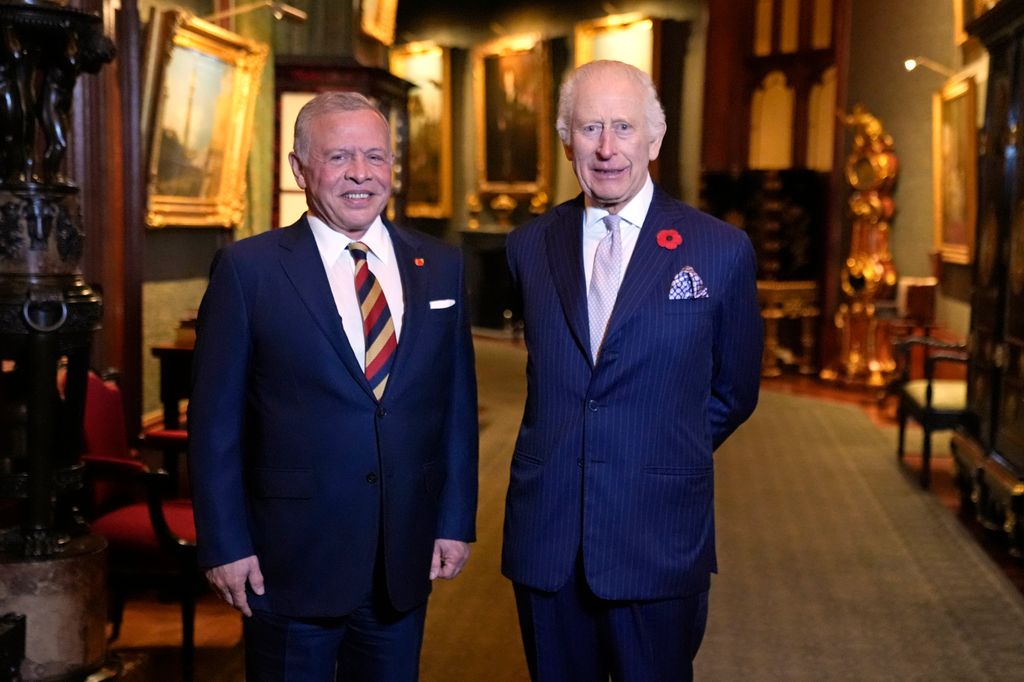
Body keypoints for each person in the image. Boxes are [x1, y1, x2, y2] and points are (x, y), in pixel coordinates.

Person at [188, 91, 478, 681]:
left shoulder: (441, 265)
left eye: (376, 156)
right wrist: (224, 543)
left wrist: (454, 519)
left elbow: (456, 409)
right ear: (300, 169)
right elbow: (215, 423)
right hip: (288, 560)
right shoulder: (250, 269)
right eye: (340, 157)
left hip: (403, 557)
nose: (361, 174)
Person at [501, 60, 763, 681]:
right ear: (567, 139)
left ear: (655, 137)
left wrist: (657, 443)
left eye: (624, 127)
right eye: (590, 127)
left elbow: (735, 390)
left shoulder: (718, 249)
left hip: (658, 533)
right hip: (548, 536)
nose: (608, 147)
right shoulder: (528, 246)